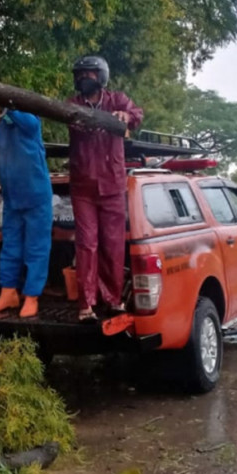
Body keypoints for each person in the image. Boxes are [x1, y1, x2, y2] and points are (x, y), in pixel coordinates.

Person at [67, 55, 143, 322]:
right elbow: (71, 120)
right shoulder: (73, 104)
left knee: (113, 245)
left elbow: (137, 114)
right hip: (83, 187)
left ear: (100, 76)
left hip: (112, 185)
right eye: (79, 74)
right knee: (87, 244)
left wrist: (126, 116)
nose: (82, 78)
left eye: (87, 74)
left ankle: (112, 300)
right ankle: (86, 304)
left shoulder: (117, 99)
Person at [0, 109, 53, 319]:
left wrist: (8, 107)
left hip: (36, 195)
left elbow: (30, 123)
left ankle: (31, 297)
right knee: (10, 247)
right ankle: (8, 292)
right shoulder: (5, 124)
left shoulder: (29, 118)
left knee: (36, 248)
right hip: (12, 196)